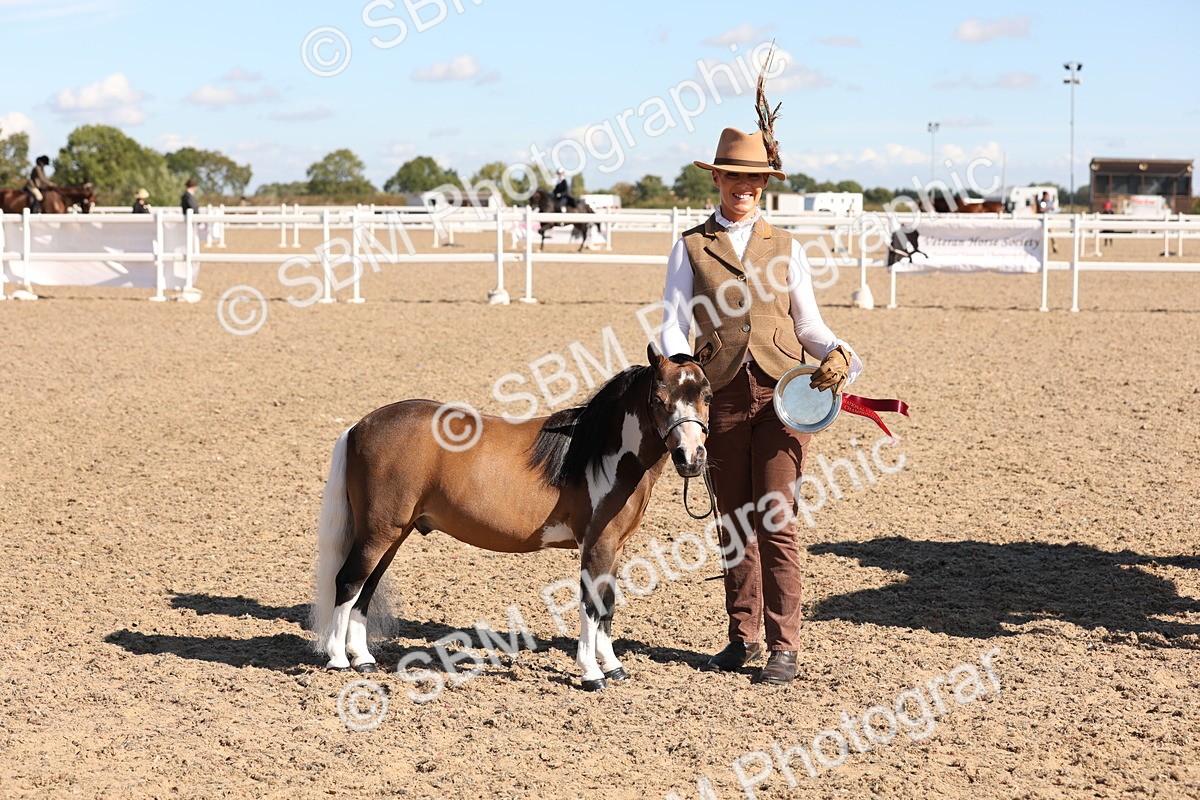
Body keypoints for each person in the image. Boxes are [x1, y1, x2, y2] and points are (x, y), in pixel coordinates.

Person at [660, 107, 862, 686]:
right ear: (717, 180)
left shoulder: (787, 246)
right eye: (733, 177)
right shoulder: (691, 247)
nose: (744, 187)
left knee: (776, 519)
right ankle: (741, 637)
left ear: (764, 184)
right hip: (719, 395)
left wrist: (837, 351)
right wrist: (680, 369)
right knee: (732, 522)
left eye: (754, 179)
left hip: (783, 398)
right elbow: (674, 322)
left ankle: (785, 645)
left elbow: (809, 324)